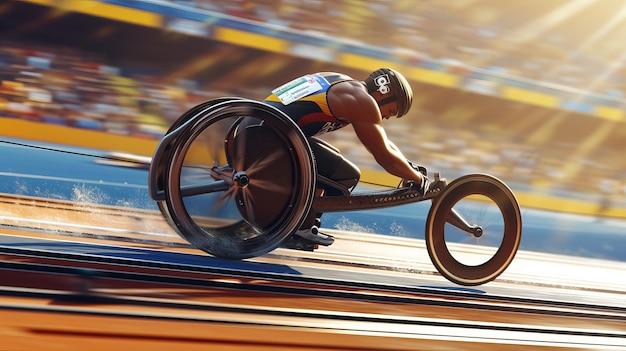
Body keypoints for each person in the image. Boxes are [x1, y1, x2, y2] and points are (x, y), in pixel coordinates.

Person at [262, 68, 429, 247]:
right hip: (269, 139)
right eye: (391, 110)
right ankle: (299, 228)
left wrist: (408, 167)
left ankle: (298, 222)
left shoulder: (343, 83)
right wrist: (418, 179)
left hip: (256, 127)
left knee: (331, 158)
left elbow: (385, 142)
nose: (387, 117)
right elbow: (383, 156)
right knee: (345, 174)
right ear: (383, 93)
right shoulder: (361, 101)